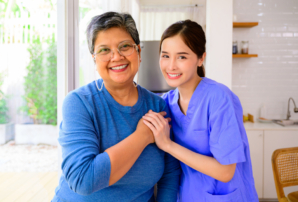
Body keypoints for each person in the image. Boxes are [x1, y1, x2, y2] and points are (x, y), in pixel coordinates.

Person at [51, 12, 180, 202]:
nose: (116, 57)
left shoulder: (158, 106)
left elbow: (170, 175)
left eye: (125, 46)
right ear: (94, 59)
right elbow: (83, 180)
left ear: (139, 52)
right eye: (104, 50)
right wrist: (142, 136)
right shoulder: (79, 103)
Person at [142, 20, 259, 202]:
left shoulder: (219, 98)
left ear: (200, 58)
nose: (171, 65)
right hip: (187, 195)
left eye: (182, 57)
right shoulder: (166, 102)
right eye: (165, 55)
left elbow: (226, 171)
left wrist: (168, 145)